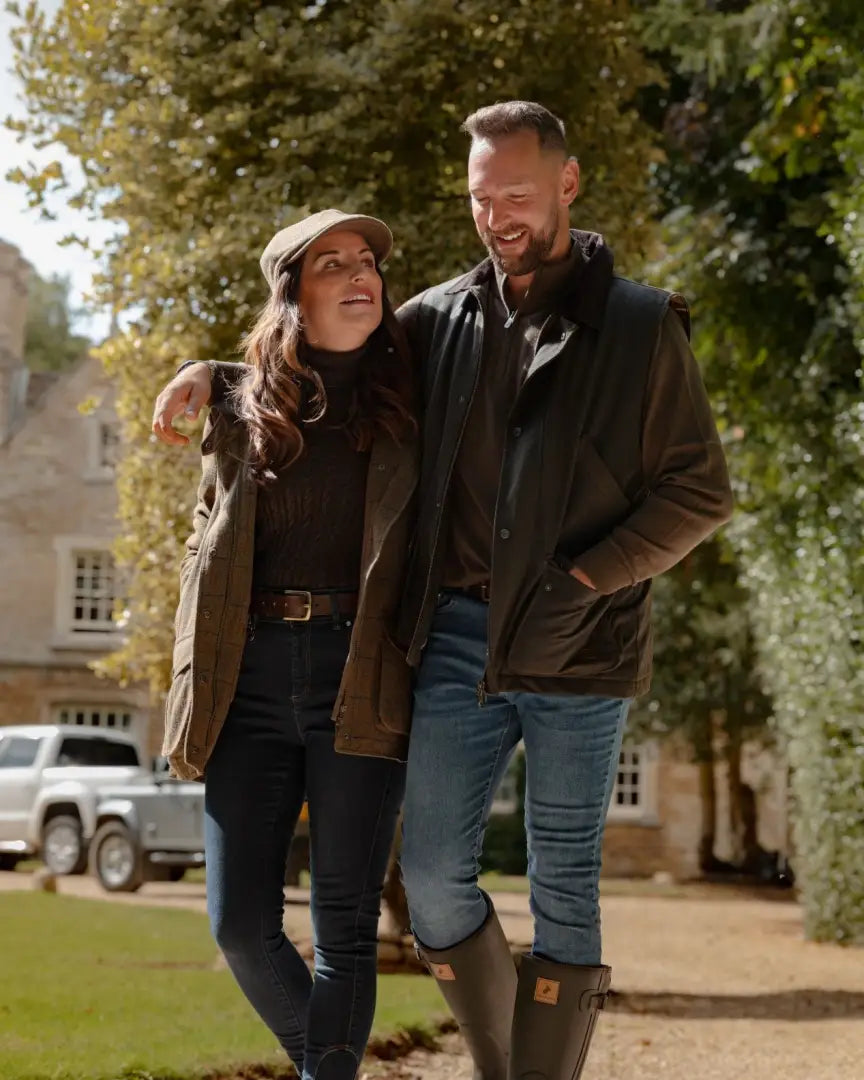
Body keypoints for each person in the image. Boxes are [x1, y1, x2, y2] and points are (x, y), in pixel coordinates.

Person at [153, 102, 733, 1080]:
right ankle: (509, 1062)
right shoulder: (434, 318)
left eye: (518, 192)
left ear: (567, 182)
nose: (500, 213)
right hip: (456, 634)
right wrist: (211, 375)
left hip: (580, 642)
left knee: (564, 883)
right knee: (429, 881)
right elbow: (318, 366)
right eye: (481, 197)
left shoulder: (639, 326)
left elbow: (700, 492)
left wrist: (590, 576)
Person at [161, 209, 417, 1080]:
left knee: (345, 921)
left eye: (367, 262)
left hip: (362, 669)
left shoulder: (412, 397)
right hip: (251, 670)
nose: (359, 275)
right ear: (292, 296)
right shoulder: (238, 405)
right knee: (238, 923)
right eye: (331, 264)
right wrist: (207, 369)